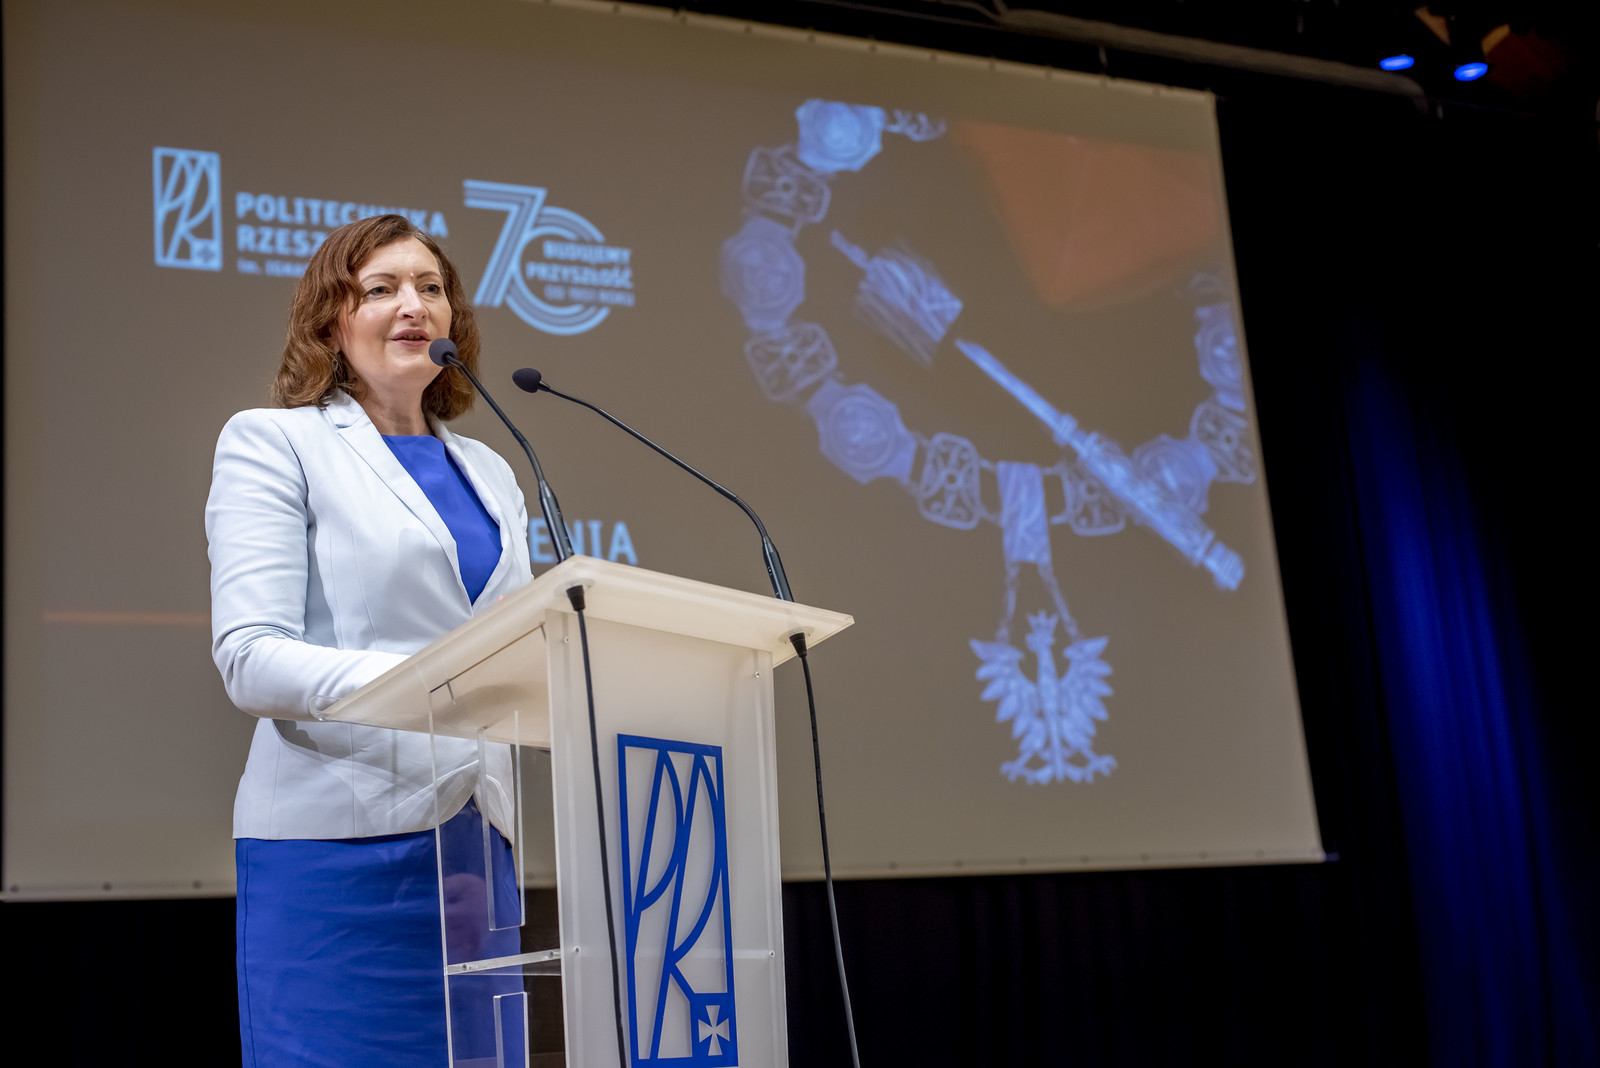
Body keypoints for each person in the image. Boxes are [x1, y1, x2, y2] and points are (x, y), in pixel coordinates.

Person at [206, 214, 532, 1066]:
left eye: (431, 288)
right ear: (330, 325)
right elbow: (249, 656)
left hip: (478, 853)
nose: (413, 305)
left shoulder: (492, 472)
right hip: (341, 855)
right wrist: (430, 682)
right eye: (381, 289)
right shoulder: (276, 442)